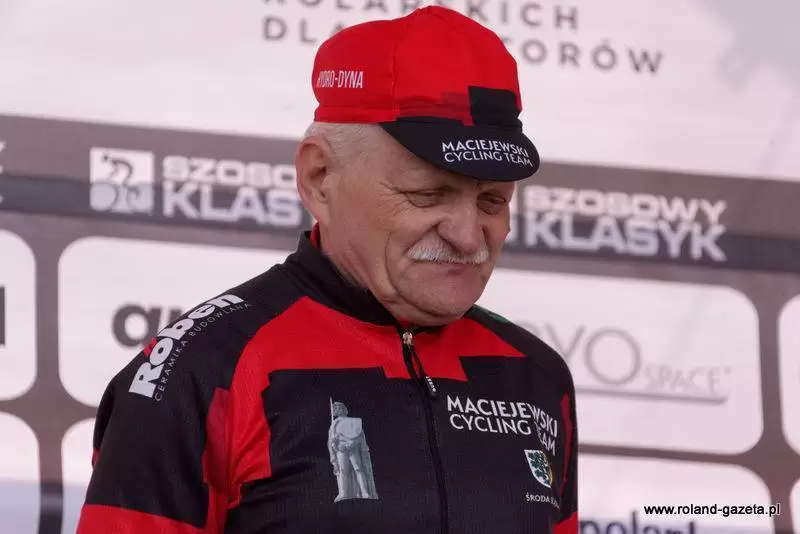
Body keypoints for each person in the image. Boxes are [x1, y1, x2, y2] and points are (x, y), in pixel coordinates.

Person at [76, 6, 578, 533]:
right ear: (319, 178)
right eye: (428, 194)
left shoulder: (536, 376)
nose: (469, 236)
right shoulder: (202, 372)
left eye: (493, 201)